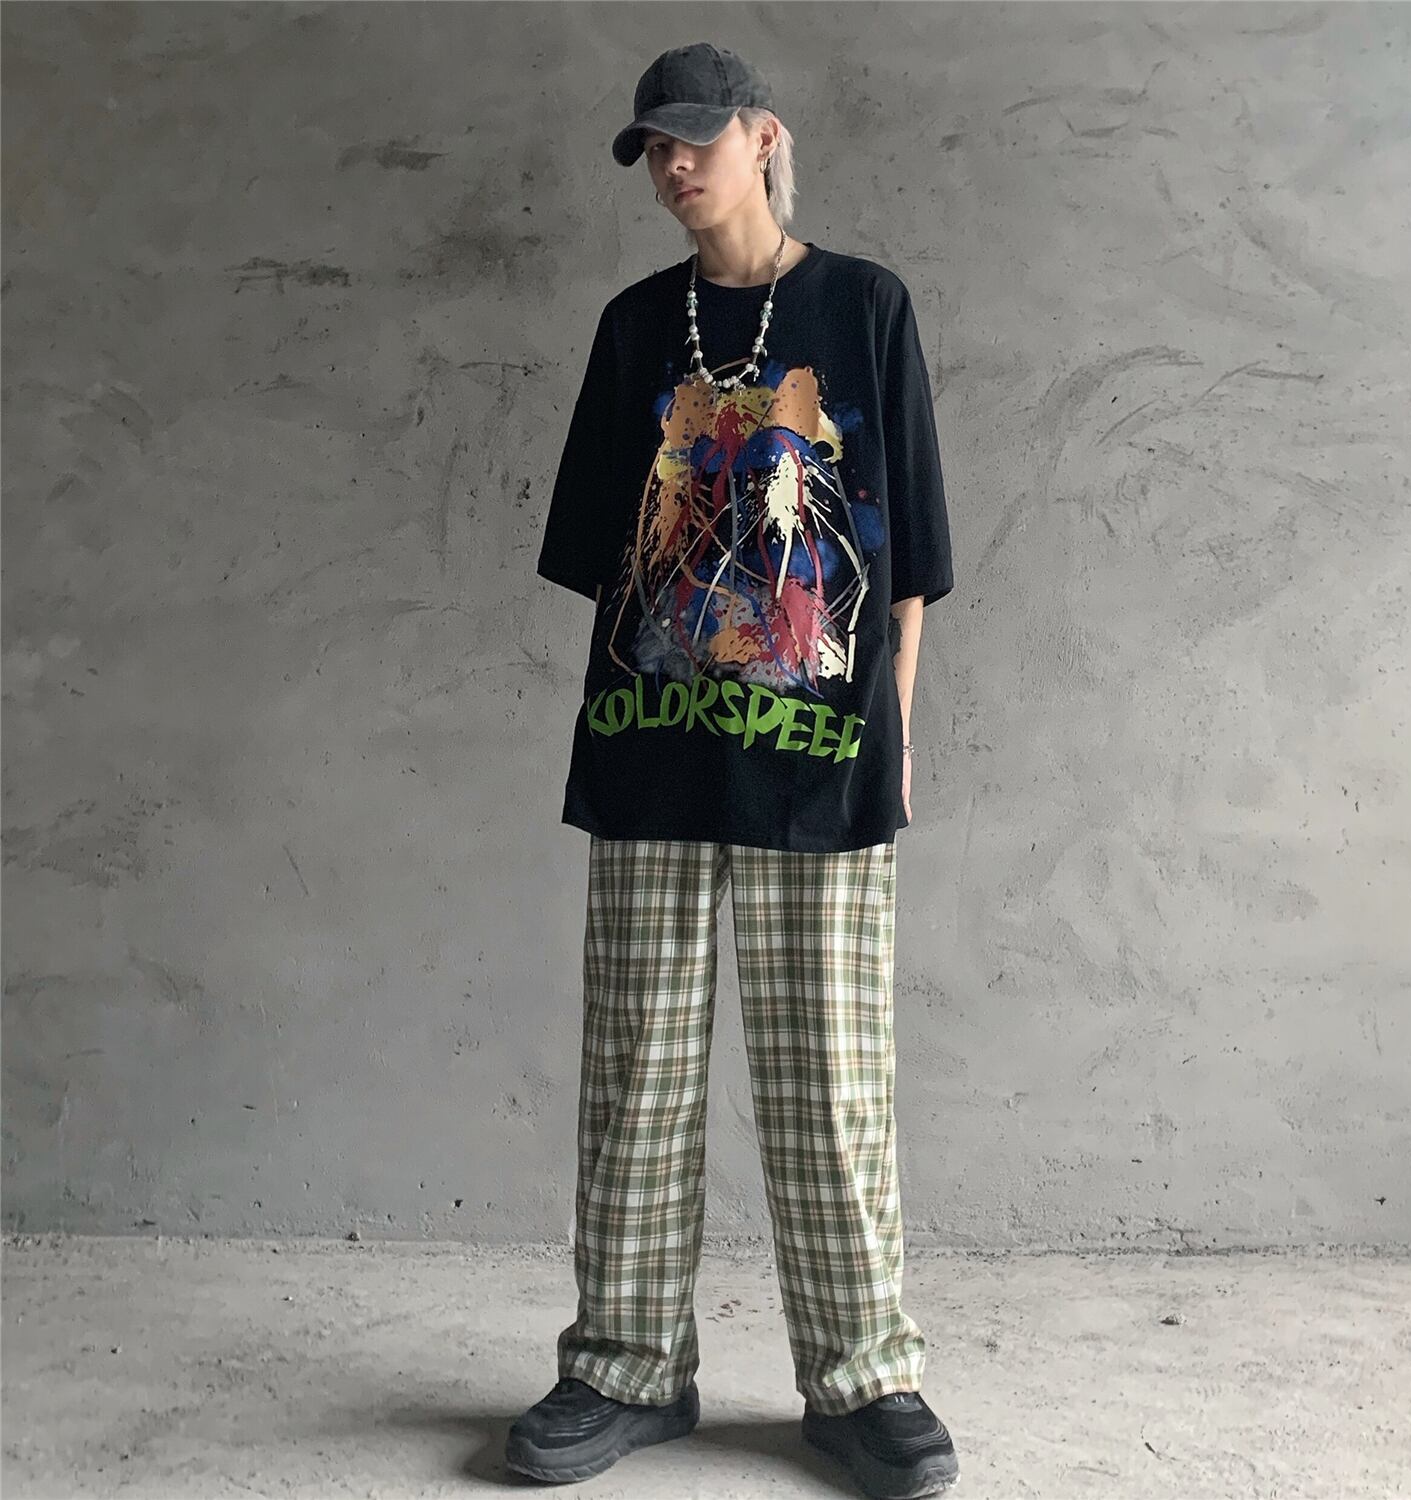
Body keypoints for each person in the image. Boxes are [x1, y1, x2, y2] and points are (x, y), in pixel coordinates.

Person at [507, 41, 959, 1500]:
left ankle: (864, 1380)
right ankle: (625, 1368)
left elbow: (907, 563)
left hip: (822, 760)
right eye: (653, 146)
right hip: (654, 755)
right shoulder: (637, 326)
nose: (674, 165)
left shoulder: (865, 308)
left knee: (832, 1082)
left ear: (765, 137)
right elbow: (607, 557)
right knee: (636, 1072)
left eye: (696, 138)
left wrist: (894, 734)